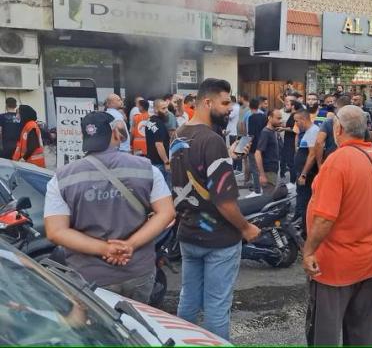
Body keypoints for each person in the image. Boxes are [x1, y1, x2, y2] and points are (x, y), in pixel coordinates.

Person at [43, 111, 175, 303]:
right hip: (137, 270)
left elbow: (56, 231)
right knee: (137, 329)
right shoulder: (146, 168)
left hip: (89, 277)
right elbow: (166, 212)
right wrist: (130, 245)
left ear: (84, 137)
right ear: (115, 133)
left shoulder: (62, 177)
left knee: (98, 331)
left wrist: (105, 249)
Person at [170, 78, 261, 340]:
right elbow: (224, 201)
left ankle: (181, 342)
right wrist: (246, 228)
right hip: (218, 238)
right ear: (207, 102)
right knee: (217, 307)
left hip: (188, 233)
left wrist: (228, 159)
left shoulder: (181, 134)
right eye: (224, 103)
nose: (229, 109)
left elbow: (192, 175)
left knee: (188, 300)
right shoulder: (212, 141)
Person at [303, 105, 372, 346]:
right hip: (366, 261)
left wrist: (309, 250)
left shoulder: (337, 161)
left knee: (324, 333)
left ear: (338, 129)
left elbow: (325, 217)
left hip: (333, 266)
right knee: (363, 331)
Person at [293, 109, 320, 234]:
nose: (296, 124)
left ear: (303, 120)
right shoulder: (308, 132)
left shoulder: (313, 131)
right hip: (302, 173)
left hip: (307, 175)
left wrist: (304, 174)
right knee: (301, 201)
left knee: (305, 203)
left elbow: (312, 155)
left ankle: (305, 233)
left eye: (297, 121)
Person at [314, 95, 351, 168]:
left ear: (337, 106)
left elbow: (319, 142)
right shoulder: (358, 121)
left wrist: (319, 164)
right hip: (352, 157)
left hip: (331, 157)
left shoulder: (329, 122)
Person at [255, 109, 283, 193]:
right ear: (270, 118)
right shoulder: (265, 132)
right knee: (268, 197)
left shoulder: (273, 131)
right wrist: (262, 175)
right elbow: (258, 153)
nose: (280, 121)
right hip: (268, 171)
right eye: (278, 118)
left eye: (281, 118)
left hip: (273, 169)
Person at [145, 99, 171, 185]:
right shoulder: (159, 123)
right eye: (163, 108)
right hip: (160, 163)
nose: (166, 111)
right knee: (166, 189)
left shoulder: (150, 121)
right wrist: (166, 162)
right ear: (156, 110)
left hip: (152, 161)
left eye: (167, 108)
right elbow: (159, 145)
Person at [247, 98, 267, 195]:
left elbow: (251, 134)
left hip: (254, 146)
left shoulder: (251, 118)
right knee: (263, 168)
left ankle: (257, 190)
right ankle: (265, 189)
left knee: (255, 169)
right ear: (259, 106)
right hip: (263, 146)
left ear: (250, 107)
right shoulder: (264, 117)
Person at [279, 96, 297, 179]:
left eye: (288, 104)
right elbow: (289, 125)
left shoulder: (295, 115)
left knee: (291, 162)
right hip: (286, 140)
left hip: (291, 141)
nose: (286, 105)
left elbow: (294, 129)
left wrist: (283, 128)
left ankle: (293, 181)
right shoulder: (292, 114)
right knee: (285, 158)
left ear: (293, 106)